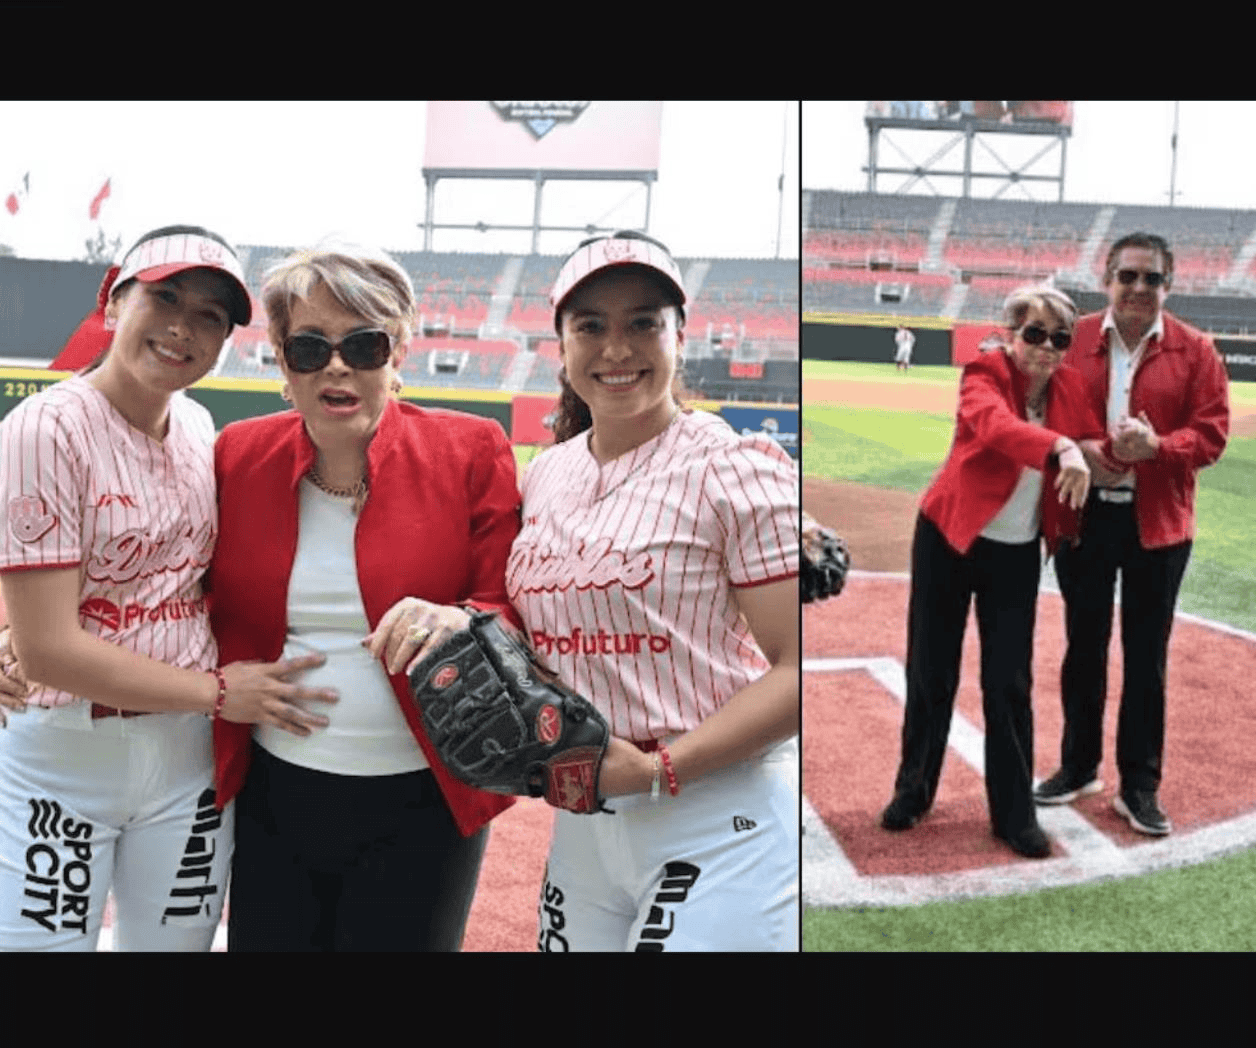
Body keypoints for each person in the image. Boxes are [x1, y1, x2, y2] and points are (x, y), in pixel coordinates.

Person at [0, 225, 337, 951]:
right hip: (66, 753)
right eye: (165, 297)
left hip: (184, 761)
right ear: (115, 300)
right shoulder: (45, 426)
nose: (185, 326)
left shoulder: (197, 425)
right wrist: (219, 695)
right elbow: (50, 651)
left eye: (212, 315)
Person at [209, 243, 522, 951]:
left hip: (424, 800)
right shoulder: (237, 455)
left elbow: (508, 600)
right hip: (274, 797)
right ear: (281, 362)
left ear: (399, 351)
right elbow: (170, 579)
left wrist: (459, 617)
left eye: (364, 343)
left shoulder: (471, 449)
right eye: (311, 347)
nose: (338, 365)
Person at [510, 232, 800, 951]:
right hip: (586, 819)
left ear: (679, 334)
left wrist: (660, 769)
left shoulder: (733, 468)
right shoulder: (547, 474)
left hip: (714, 811)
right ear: (562, 344)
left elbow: (799, 671)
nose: (617, 348)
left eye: (643, 322)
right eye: (591, 326)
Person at [879, 286, 1102, 859]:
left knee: (1009, 683)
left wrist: (1120, 447)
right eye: (1034, 333)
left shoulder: (1072, 387)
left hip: (1015, 552)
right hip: (950, 535)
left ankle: (1012, 813)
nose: (1046, 348)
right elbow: (998, 429)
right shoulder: (984, 372)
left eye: (1059, 339)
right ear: (1010, 333)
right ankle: (913, 790)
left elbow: (1094, 443)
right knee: (932, 671)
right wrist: (1063, 448)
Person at [1034, 233, 1230, 836]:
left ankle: (1139, 786)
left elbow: (1212, 434)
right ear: (1108, 279)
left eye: (1151, 278)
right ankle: (1078, 765)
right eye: (1128, 276)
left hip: (1160, 525)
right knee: (1083, 648)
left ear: (1168, 286)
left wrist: (1158, 447)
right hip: (1085, 515)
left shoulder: (1197, 350)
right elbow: (1043, 415)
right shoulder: (1072, 341)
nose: (1139, 288)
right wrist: (1082, 448)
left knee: (1147, 659)